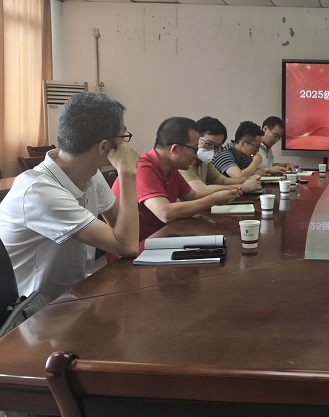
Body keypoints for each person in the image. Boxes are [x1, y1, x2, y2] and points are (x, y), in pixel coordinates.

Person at [0, 92, 139, 302]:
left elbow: (123, 230)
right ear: (104, 146)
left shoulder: (92, 175)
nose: (126, 146)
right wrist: (127, 174)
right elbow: (126, 245)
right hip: (33, 313)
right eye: (123, 137)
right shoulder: (38, 191)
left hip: (75, 297)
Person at [114, 117, 241, 242]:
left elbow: (192, 196)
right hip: (138, 246)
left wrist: (228, 191)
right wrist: (213, 199)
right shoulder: (143, 168)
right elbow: (165, 213)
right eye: (194, 148)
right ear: (174, 149)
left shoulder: (171, 168)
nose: (196, 154)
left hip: (161, 236)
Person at [180, 116, 262, 194]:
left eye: (216, 147)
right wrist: (242, 187)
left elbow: (221, 180)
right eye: (208, 144)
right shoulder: (183, 161)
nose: (211, 150)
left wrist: (247, 180)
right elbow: (200, 190)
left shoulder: (205, 161)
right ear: (195, 138)